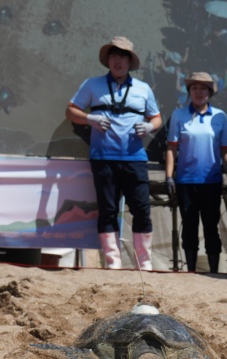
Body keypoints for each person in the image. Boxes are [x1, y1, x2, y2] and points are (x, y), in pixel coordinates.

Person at [67, 36, 162, 270]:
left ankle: (145, 263)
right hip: (103, 159)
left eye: (122, 56)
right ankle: (113, 263)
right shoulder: (92, 84)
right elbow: (70, 111)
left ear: (130, 61)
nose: (117, 60)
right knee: (107, 210)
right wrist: (90, 119)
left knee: (141, 210)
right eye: (114, 55)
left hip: (135, 159)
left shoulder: (143, 88)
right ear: (108, 59)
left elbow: (157, 117)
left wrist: (150, 126)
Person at [166, 72, 227, 274]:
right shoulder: (179, 115)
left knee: (211, 226)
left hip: (211, 181)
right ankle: (191, 271)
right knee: (189, 226)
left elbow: (226, 150)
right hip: (186, 181)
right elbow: (171, 148)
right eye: (194, 88)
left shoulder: (219, 116)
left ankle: (213, 270)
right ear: (189, 91)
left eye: (203, 88)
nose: (198, 92)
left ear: (210, 92)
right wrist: (169, 176)